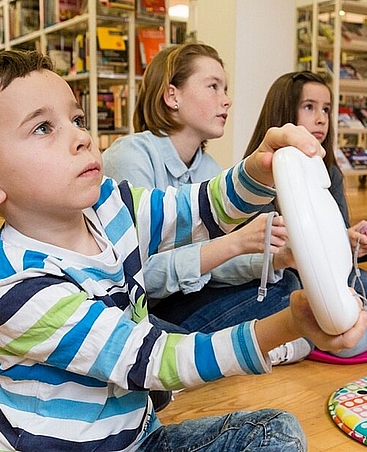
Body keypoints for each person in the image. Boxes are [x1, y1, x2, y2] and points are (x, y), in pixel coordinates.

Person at [0, 49, 367, 452]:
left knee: (277, 433)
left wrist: (258, 167)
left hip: (138, 434)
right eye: (43, 128)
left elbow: (199, 208)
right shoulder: (15, 285)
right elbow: (158, 359)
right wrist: (289, 324)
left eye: (77, 119)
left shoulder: (111, 203)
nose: (82, 137)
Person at [103, 43, 310, 366]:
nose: (226, 99)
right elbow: (132, 276)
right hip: (140, 308)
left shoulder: (209, 169)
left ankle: (208, 352)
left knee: (286, 283)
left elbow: (215, 268)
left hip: (182, 301)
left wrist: (278, 259)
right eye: (213, 86)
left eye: (225, 88)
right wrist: (234, 243)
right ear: (172, 96)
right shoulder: (129, 157)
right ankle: (240, 349)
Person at [243, 71, 367, 357]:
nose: (321, 118)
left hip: (338, 271)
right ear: (284, 111)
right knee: (357, 342)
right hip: (292, 279)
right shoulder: (259, 175)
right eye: (309, 107)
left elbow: (342, 240)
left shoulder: (329, 172)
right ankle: (297, 334)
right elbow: (267, 253)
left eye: (326, 109)